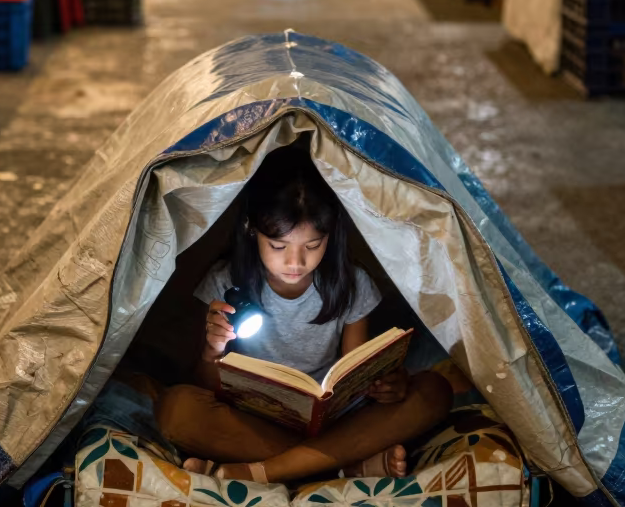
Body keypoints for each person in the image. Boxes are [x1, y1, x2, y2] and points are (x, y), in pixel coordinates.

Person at [157, 147, 452, 484]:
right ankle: (346, 467)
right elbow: (204, 384)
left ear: (332, 235)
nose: (295, 262)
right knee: (176, 408)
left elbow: (354, 375)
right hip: (255, 419)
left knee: (434, 391)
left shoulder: (351, 284)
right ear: (252, 230)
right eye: (279, 247)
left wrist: (386, 386)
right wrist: (213, 350)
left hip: (337, 419)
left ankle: (264, 470)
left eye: (313, 246)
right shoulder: (225, 282)